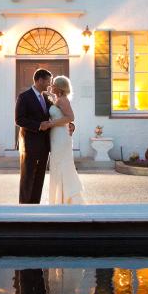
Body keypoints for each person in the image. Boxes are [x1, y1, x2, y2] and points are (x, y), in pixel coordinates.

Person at [43, 75, 86, 205]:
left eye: (54, 84)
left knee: (62, 164)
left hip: (61, 136)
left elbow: (70, 117)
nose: (51, 85)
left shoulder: (63, 100)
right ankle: (59, 198)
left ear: (60, 87)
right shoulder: (57, 99)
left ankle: (68, 198)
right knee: (57, 164)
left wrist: (50, 124)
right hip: (56, 135)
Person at [15, 69, 54, 204]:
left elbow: (57, 114)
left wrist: (70, 123)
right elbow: (19, 120)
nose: (49, 84)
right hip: (29, 144)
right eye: (48, 81)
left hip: (44, 145)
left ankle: (35, 205)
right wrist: (39, 125)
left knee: (40, 177)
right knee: (28, 176)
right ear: (40, 80)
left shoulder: (46, 98)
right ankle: (24, 207)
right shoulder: (24, 97)